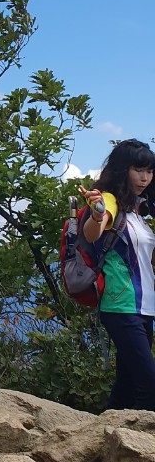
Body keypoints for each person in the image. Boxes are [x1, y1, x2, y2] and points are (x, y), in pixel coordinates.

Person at [81, 138, 155, 411]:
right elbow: (93, 233)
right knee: (149, 384)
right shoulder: (109, 201)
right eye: (138, 170)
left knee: (127, 386)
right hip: (120, 306)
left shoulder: (139, 213)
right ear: (123, 170)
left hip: (145, 308)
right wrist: (96, 214)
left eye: (149, 171)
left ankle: (105, 429)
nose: (145, 178)